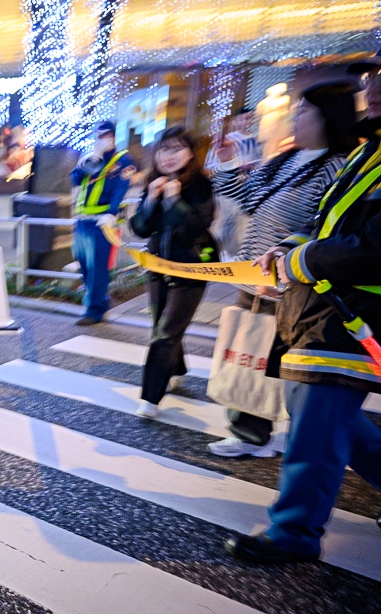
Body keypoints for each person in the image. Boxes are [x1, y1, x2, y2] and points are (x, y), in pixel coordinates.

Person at [224, 52, 381, 564]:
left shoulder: (350, 155)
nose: (372, 87)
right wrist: (289, 248)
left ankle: (293, 533)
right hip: (311, 303)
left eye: (302, 110)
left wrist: (299, 258)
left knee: (316, 427)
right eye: (371, 79)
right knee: (330, 422)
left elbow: (371, 247)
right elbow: (323, 223)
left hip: (349, 313)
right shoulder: (367, 155)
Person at [206, 82, 359, 458]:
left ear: (327, 119)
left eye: (304, 110)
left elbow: (325, 226)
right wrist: (226, 163)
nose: (295, 115)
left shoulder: (338, 166)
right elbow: (246, 199)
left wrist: (291, 260)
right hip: (253, 273)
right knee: (248, 351)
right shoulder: (287, 159)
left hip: (295, 283)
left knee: (285, 364)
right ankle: (250, 431)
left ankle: (291, 432)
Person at [129, 127, 217, 418]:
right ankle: (175, 368)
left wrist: (173, 201)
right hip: (157, 266)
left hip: (191, 269)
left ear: (191, 154)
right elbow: (140, 228)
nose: (168, 156)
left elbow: (195, 228)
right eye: (163, 150)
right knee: (162, 325)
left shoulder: (201, 186)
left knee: (165, 332)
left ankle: (150, 398)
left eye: (177, 149)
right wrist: (152, 201)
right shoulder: (153, 182)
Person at [70, 120, 137, 325]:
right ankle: (99, 301)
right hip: (82, 222)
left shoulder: (123, 160)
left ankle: (94, 310)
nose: (101, 139)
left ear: (113, 136)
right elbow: (74, 179)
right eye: (98, 135)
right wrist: (90, 161)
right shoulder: (90, 157)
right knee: (83, 265)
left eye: (105, 135)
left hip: (102, 223)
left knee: (98, 268)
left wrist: (111, 214)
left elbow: (120, 189)